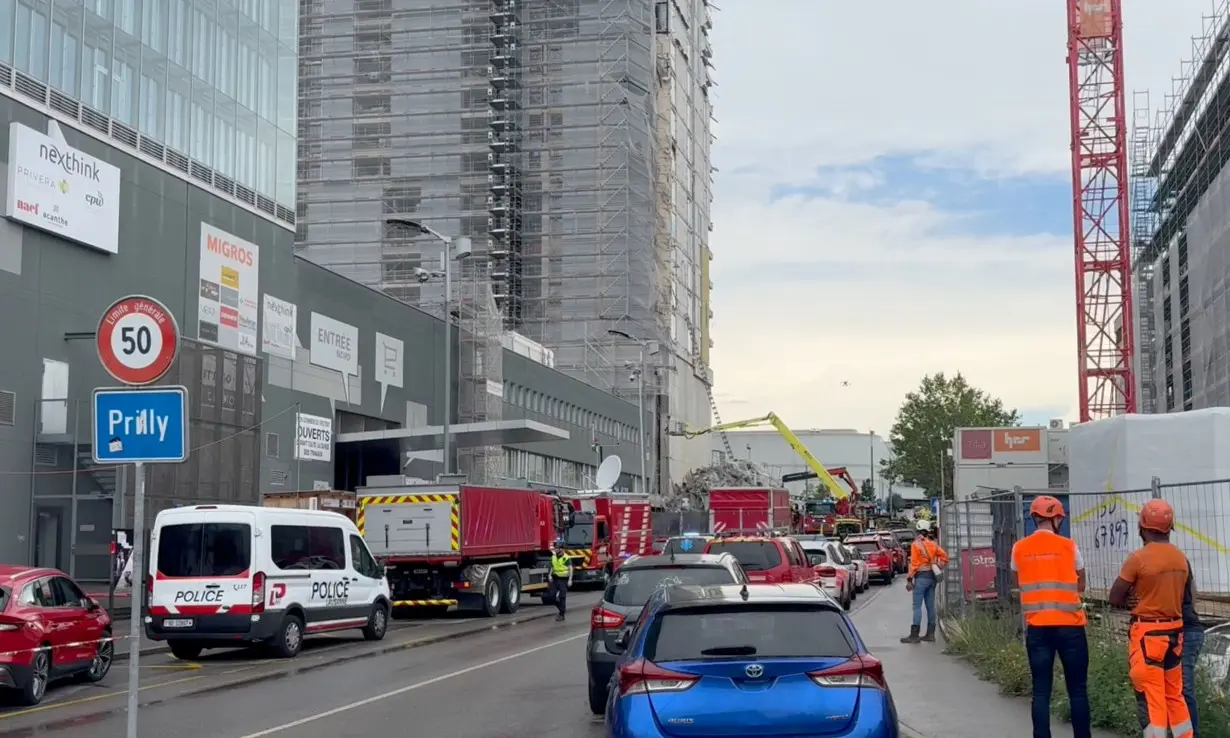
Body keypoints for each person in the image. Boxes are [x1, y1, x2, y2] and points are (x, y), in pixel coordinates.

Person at [1109, 499, 1194, 738]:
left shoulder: (1138, 558)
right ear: (1169, 527)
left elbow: (1115, 597)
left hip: (1147, 635)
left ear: (1142, 526)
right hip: (1175, 633)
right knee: (1174, 696)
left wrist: (1130, 600)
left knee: (1151, 696)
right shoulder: (1180, 559)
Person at [1010, 495, 1091, 738]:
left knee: (1041, 691)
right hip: (1071, 628)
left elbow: (1018, 582)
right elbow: (1081, 583)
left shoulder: (1019, 548)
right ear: (1056, 518)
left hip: (1038, 629)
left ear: (1034, 518)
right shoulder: (1069, 546)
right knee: (1077, 691)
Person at [901, 519, 948, 643]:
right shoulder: (933, 544)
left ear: (918, 530)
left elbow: (914, 564)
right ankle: (930, 634)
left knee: (917, 607)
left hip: (921, 577)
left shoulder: (916, 545)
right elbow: (945, 557)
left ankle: (914, 635)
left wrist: (909, 579)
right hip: (932, 577)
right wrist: (937, 565)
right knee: (930, 606)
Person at [1181, 556, 1204, 735]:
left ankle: (1191, 733)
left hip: (1186, 630)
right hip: (1191, 628)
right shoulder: (1180, 559)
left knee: (1183, 687)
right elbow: (1193, 591)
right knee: (1180, 688)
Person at [548, 541, 573, 622]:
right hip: (555, 579)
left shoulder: (566, 558)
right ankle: (561, 609)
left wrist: (570, 580)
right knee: (551, 596)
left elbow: (570, 569)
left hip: (563, 579)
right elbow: (552, 567)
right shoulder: (553, 557)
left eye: (557, 548)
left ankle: (561, 614)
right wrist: (549, 575)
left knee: (562, 597)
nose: (555, 549)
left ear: (561, 549)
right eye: (555, 548)